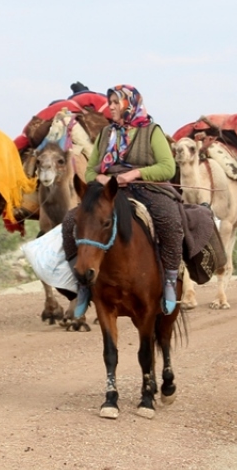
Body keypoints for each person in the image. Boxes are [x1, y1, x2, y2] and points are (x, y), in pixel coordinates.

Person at [64, 84, 183, 316]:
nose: (112, 107)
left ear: (130, 105)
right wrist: (100, 177)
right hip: (108, 190)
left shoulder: (152, 131)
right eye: (110, 103)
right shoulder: (106, 134)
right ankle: (82, 284)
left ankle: (169, 280)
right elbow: (90, 172)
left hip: (144, 187)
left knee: (170, 219)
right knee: (71, 221)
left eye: (116, 102)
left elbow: (167, 167)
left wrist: (134, 174)